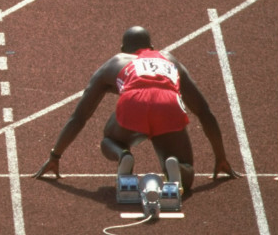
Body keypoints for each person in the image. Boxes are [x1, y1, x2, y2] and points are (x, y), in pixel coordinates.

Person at [32, 26, 239, 193]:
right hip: (168, 105)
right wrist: (220, 156)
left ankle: (123, 155)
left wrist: (55, 155)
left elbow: (79, 116)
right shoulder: (170, 59)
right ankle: (173, 165)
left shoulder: (116, 61)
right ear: (152, 46)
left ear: (123, 49)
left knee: (109, 140)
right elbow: (204, 112)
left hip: (134, 104)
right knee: (187, 171)